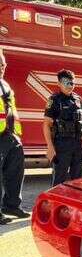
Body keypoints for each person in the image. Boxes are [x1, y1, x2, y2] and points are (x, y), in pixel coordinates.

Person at [43, 69, 82, 187]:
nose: (70, 86)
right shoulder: (54, 100)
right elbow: (46, 124)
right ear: (59, 84)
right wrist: (50, 147)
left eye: (72, 83)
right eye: (66, 83)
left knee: (78, 181)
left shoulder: (79, 99)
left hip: (78, 145)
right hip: (61, 146)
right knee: (59, 181)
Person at [0, 51, 30, 224]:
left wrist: (16, 133)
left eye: (3, 65)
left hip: (11, 135)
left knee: (15, 172)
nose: (2, 68)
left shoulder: (5, 84)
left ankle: (12, 205)